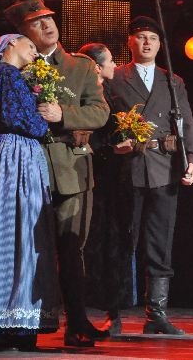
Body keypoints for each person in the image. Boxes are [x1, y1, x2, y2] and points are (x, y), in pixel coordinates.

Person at [3, 0, 111, 347]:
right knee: (26, 247)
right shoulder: (12, 65)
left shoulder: (80, 66)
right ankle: (23, 324)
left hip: (69, 169)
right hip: (25, 168)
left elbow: (100, 111)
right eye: (36, 22)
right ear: (22, 32)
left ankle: (76, 321)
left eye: (48, 17)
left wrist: (64, 114)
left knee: (70, 247)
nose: (46, 25)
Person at [105, 16, 193, 335]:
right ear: (130, 42)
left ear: (160, 45)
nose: (146, 42)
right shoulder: (116, 78)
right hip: (127, 168)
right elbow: (103, 121)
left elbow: (187, 122)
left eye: (153, 38)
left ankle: (156, 313)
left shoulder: (172, 80)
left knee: (160, 241)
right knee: (122, 240)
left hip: (164, 168)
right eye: (141, 37)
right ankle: (114, 311)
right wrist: (113, 144)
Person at [0, 34, 59, 352]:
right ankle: (2, 320)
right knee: (13, 231)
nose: (35, 52)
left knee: (19, 233)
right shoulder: (7, 74)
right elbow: (17, 118)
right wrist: (44, 122)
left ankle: (14, 319)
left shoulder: (11, 76)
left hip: (17, 153)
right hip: (13, 154)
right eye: (30, 45)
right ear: (11, 45)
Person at [78, 43, 133, 335]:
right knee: (89, 244)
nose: (115, 64)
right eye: (110, 60)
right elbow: (88, 139)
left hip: (115, 181)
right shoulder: (81, 96)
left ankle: (114, 310)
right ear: (97, 67)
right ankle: (80, 311)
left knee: (115, 244)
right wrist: (111, 150)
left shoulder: (114, 95)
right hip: (89, 177)